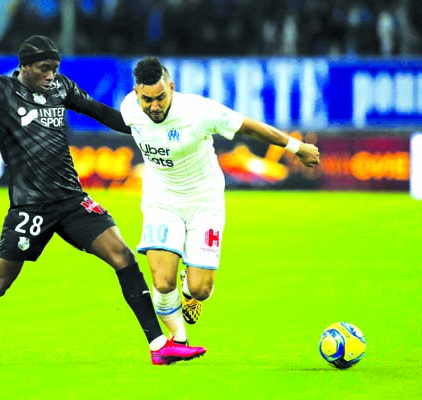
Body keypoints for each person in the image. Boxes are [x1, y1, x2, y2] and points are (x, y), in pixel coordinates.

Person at [0, 37, 206, 365]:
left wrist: (152, 122)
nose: (51, 75)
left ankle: (158, 345)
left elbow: (101, 112)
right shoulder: (0, 91)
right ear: (24, 67)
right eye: (44, 69)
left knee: (123, 256)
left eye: (55, 68)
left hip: (71, 199)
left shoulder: (61, 88)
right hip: (30, 206)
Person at [119, 57, 320, 344]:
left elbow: (249, 127)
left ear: (172, 88)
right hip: (161, 199)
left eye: (161, 98)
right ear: (137, 93)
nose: (154, 107)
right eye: (147, 100)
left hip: (204, 201)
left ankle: (190, 291)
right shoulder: (129, 108)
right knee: (162, 281)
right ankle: (179, 342)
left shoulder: (199, 111)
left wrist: (296, 147)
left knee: (201, 289)